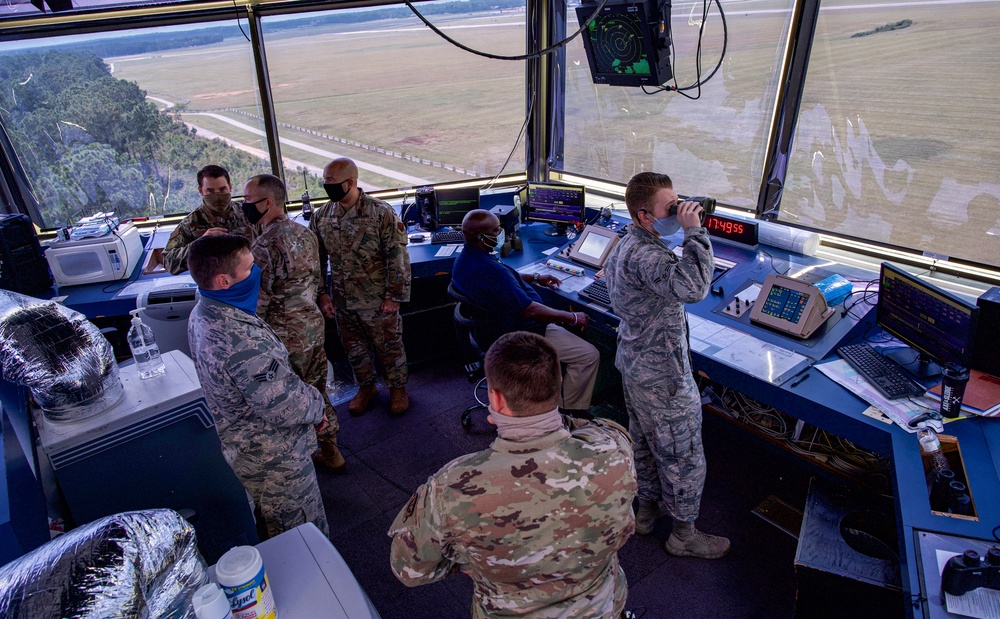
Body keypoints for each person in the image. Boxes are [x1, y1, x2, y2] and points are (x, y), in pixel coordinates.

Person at [389, 331, 637, 618]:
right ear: (557, 385)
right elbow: (597, 428)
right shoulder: (613, 451)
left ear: (494, 397)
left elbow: (409, 570)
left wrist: (467, 559)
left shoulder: (451, 487)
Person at [604, 172, 730, 559]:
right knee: (683, 456)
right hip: (664, 379)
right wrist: (695, 233)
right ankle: (683, 535)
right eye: (670, 207)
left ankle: (644, 513)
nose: (679, 211)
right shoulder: (650, 255)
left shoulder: (626, 242)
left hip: (636, 366)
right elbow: (693, 289)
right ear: (645, 216)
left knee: (642, 445)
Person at [186, 233, 329, 538]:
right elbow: (285, 407)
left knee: (271, 527)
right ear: (224, 281)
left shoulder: (204, 311)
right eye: (249, 268)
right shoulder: (240, 340)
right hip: (275, 461)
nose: (257, 272)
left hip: (245, 450)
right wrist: (318, 407)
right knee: (303, 538)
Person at [451, 209, 600, 414]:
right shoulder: (491, 270)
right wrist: (573, 317)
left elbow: (506, 280)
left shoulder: (468, 258)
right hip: (519, 333)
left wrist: (536, 278)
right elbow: (529, 311)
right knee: (588, 354)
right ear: (480, 237)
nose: (500, 233)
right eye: (495, 231)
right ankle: (568, 413)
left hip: (489, 329)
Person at [243, 174, 344, 473]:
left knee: (290, 398)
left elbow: (258, 302)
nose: (244, 207)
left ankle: (298, 461)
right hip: (311, 327)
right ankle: (331, 449)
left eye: (247, 202)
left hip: (283, 336)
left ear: (267, 203)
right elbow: (315, 279)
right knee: (317, 390)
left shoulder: (263, 247)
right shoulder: (305, 233)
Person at [309, 157, 411, 417]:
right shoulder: (322, 216)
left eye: (331, 182)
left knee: (389, 347)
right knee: (354, 349)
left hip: (377, 299)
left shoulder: (381, 213)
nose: (326, 186)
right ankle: (367, 387)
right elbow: (316, 260)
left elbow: (397, 257)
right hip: (343, 300)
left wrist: (394, 297)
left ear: (350, 182)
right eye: (325, 181)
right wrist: (322, 294)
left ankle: (397, 388)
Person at [162, 165, 258, 274]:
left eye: (222, 190)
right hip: (213, 285)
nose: (217, 196)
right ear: (200, 191)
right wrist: (200, 245)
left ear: (230, 187)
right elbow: (168, 261)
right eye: (210, 191)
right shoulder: (190, 224)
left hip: (250, 279)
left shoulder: (248, 213)